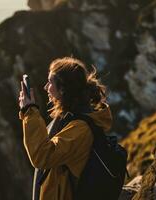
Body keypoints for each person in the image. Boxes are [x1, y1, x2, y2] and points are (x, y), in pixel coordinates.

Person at [18, 57, 113, 200]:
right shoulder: (70, 117)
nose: (45, 87)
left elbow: (43, 156)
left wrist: (29, 112)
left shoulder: (80, 129)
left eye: (50, 82)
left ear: (63, 89)